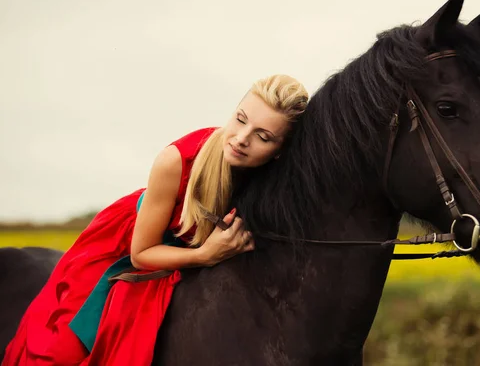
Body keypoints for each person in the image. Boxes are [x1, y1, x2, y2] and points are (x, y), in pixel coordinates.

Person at [2, 74, 309, 366]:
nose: (241, 139)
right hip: (131, 244)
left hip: (186, 246)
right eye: (240, 119)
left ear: (280, 151)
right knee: (63, 351)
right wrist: (205, 255)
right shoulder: (175, 160)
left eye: (263, 137)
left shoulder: (276, 181)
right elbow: (141, 253)